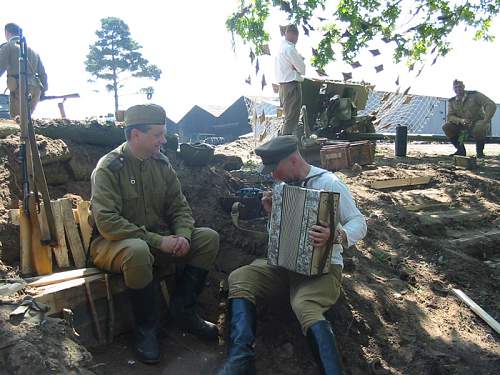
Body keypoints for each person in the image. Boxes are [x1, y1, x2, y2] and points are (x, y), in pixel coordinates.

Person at [216, 136, 367, 375]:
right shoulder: (283, 188)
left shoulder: (329, 183)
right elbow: (279, 235)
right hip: (284, 265)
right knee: (240, 278)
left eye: (276, 169)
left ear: (294, 160)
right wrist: (271, 215)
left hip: (323, 268)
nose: (274, 176)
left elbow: (359, 222)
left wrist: (335, 235)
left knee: (304, 304)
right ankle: (240, 360)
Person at [90, 104, 220, 364]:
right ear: (136, 134)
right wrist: (159, 241)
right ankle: (146, 329)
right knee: (137, 250)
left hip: (152, 242)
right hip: (111, 245)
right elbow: (108, 223)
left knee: (207, 238)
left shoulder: (161, 164)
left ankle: (183, 311)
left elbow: (179, 206)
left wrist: (183, 235)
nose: (164, 140)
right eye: (158, 135)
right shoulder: (109, 168)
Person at [0, 23, 47, 118]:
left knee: (17, 121)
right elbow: (43, 74)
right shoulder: (33, 50)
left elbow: (1, 66)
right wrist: (43, 92)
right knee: (26, 121)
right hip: (36, 90)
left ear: (7, 32)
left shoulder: (8, 46)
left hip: (20, 88)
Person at [442, 79, 496, 158]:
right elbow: (450, 116)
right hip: (462, 125)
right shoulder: (452, 101)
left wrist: (486, 120)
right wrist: (461, 120)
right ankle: (460, 151)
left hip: (477, 123)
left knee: (479, 127)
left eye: (459, 86)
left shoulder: (475, 95)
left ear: (463, 87)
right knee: (446, 127)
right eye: (455, 87)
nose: (458, 89)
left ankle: (480, 153)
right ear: (453, 89)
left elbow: (490, 104)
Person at [275, 24, 306, 136]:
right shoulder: (289, 48)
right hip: (291, 86)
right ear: (291, 34)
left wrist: (296, 66)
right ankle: (285, 146)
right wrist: (297, 66)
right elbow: (302, 69)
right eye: (296, 35)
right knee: (292, 119)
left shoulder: (281, 48)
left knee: (288, 117)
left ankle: (284, 142)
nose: (297, 39)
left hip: (283, 86)